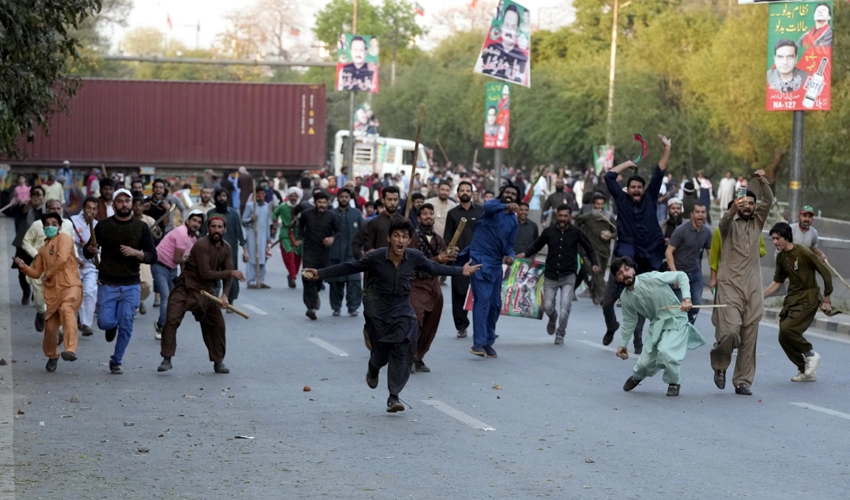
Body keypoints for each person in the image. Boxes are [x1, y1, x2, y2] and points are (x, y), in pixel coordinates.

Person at [304, 219, 481, 412]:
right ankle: (373, 367)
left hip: (401, 308)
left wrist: (460, 270)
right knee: (380, 352)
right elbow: (350, 267)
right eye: (396, 236)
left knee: (402, 345)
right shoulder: (376, 257)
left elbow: (433, 267)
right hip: (377, 309)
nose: (400, 240)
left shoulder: (414, 257)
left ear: (408, 240)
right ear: (389, 238)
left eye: (405, 237)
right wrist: (319, 274)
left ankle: (394, 396)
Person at [601, 135, 672, 352]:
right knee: (607, 303)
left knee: (639, 302)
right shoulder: (621, 200)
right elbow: (609, 177)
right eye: (632, 187)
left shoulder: (650, 197)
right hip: (625, 255)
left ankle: (639, 339)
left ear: (644, 189)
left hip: (648, 256)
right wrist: (628, 164)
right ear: (628, 189)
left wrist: (667, 148)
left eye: (639, 187)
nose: (636, 190)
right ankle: (612, 325)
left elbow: (659, 171)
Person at [157, 215, 247, 374]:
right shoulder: (201, 245)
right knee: (171, 318)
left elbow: (227, 276)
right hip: (186, 287)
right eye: (213, 227)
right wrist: (231, 272)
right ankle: (167, 358)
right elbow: (205, 273)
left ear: (224, 229)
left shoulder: (226, 248)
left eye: (220, 227)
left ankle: (218, 361)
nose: (217, 230)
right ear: (208, 228)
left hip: (207, 292)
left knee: (217, 325)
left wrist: (225, 295)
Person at [711, 170, 773, 396]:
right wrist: (732, 210)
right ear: (737, 205)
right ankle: (720, 366)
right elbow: (723, 222)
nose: (747, 206)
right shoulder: (728, 224)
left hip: (753, 289)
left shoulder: (757, 222)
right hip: (730, 289)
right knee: (729, 332)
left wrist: (761, 181)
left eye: (750, 203)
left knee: (749, 337)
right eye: (743, 203)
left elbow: (769, 200)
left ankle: (743, 381)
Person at [83, 189, 157, 375]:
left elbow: (151, 256)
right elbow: (87, 250)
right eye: (120, 201)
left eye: (127, 201)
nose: (124, 204)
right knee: (104, 323)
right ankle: (112, 326)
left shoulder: (141, 227)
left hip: (132, 284)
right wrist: (90, 250)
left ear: (132, 203)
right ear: (114, 204)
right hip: (108, 283)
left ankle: (116, 360)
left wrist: (136, 253)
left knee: (127, 323)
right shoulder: (103, 226)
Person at [612, 257, 705, 397]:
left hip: (676, 321)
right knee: (643, 363)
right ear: (617, 278)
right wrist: (623, 344)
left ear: (633, 269)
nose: (625, 274)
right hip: (657, 325)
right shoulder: (625, 298)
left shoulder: (652, 278)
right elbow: (630, 321)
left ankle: (674, 382)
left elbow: (681, 276)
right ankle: (637, 376)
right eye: (620, 273)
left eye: (627, 269)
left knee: (666, 352)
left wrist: (686, 298)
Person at [518, 204, 598, 345]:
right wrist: (525, 254)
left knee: (565, 306)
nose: (562, 218)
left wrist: (595, 263)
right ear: (557, 216)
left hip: (568, 275)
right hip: (551, 274)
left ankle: (560, 333)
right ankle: (553, 318)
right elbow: (537, 245)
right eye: (560, 216)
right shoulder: (549, 232)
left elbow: (589, 248)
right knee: (548, 306)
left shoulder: (576, 232)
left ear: (569, 217)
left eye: (565, 216)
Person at [14, 213, 83, 372]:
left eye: (53, 223)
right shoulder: (43, 250)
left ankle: (70, 349)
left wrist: (48, 274)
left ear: (59, 226)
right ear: (43, 228)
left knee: (67, 308)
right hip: (53, 293)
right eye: (46, 224)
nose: (50, 226)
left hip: (71, 285)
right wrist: (23, 266)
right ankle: (52, 355)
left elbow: (61, 259)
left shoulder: (65, 239)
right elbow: (36, 273)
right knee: (51, 329)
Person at [763, 222, 831, 383]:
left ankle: (810, 354)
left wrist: (827, 299)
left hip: (809, 297)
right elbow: (778, 281)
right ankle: (805, 371)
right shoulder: (781, 257)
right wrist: (761, 296)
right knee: (783, 336)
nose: (775, 242)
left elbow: (826, 273)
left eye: (777, 238)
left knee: (788, 328)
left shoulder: (804, 252)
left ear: (787, 237)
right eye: (773, 239)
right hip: (793, 298)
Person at [458, 184, 519, 358]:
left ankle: (488, 342)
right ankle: (478, 343)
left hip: (495, 265)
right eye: (507, 192)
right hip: (478, 260)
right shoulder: (493, 208)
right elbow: (488, 205)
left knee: (495, 305)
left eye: (513, 194)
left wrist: (510, 255)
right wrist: (505, 206)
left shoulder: (513, 220)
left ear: (517, 198)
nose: (509, 195)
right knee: (482, 299)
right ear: (502, 194)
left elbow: (509, 245)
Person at [409, 204, 457, 373]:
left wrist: (451, 255)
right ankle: (408, 356)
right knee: (416, 321)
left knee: (431, 322)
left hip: (433, 285)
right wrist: (438, 258)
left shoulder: (438, 238)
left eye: (431, 213)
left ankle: (419, 356)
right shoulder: (412, 238)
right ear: (418, 218)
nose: (428, 216)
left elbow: (446, 260)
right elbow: (415, 262)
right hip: (416, 284)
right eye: (424, 214)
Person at [22, 199, 75, 333]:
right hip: (40, 269)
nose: (56, 211)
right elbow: (26, 242)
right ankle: (41, 314)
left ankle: (59, 330)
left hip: (60, 269)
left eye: (58, 209)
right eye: (52, 209)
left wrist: (77, 260)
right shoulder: (37, 225)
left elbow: (72, 244)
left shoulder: (67, 225)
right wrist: (36, 255)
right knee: (40, 303)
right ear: (46, 210)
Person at [152, 210, 203, 340]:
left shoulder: (193, 238)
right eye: (194, 220)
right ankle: (162, 327)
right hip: (159, 265)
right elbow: (178, 258)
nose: (196, 224)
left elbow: (182, 262)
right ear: (187, 220)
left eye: (199, 222)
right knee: (166, 296)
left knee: (172, 300)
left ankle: (160, 324)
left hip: (172, 269)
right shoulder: (182, 233)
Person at [443, 181, 484, 338]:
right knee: (459, 292)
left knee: (481, 292)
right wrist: (450, 252)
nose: (465, 192)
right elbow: (448, 237)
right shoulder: (453, 214)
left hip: (480, 257)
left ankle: (483, 325)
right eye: (462, 190)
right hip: (460, 260)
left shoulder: (481, 211)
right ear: (458, 193)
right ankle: (461, 326)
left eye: (468, 190)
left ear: (472, 193)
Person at [665, 203, 712, 324]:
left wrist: (713, 279)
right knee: (681, 308)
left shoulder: (706, 232)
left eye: (703, 212)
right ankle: (675, 332)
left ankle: (687, 330)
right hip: (679, 273)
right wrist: (675, 275)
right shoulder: (681, 230)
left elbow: (711, 256)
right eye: (697, 212)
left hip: (695, 273)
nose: (700, 215)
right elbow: (668, 253)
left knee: (695, 305)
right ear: (692, 214)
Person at [297, 191, 340, 320]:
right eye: (319, 202)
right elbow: (300, 227)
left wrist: (332, 238)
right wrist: (300, 238)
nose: (322, 205)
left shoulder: (331, 216)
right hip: (309, 250)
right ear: (315, 203)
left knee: (318, 278)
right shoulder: (306, 214)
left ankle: (315, 297)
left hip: (324, 252)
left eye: (324, 202)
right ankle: (311, 307)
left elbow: (338, 231)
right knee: (307, 276)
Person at [575, 193, 616, 305]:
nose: (599, 207)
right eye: (597, 204)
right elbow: (576, 222)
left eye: (602, 204)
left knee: (599, 274)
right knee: (598, 271)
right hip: (591, 251)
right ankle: (604, 296)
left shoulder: (609, 217)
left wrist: (610, 235)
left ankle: (594, 292)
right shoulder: (587, 217)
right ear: (593, 205)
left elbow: (617, 232)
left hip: (605, 251)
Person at [209, 188, 248, 306]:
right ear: (215, 198)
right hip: (213, 250)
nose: (222, 198)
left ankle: (230, 301)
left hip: (231, 251)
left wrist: (245, 251)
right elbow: (204, 233)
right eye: (219, 196)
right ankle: (214, 301)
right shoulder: (210, 214)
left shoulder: (233, 214)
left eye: (224, 196)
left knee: (231, 275)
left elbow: (239, 233)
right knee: (214, 276)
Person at [327, 189, 362, 317]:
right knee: (335, 282)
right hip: (335, 253)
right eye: (341, 196)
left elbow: (363, 232)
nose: (344, 199)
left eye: (346, 196)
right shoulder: (331, 214)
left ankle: (353, 307)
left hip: (352, 254)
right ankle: (336, 307)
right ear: (337, 198)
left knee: (354, 281)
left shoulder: (356, 213)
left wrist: (362, 248)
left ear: (350, 198)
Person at [475, 4, 528, 83]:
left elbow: (523, 78)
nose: (509, 30)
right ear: (502, 26)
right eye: (507, 25)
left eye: (513, 27)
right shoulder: (489, 50)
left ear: (517, 31)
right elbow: (480, 66)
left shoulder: (522, 59)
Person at [70, 197, 100, 336]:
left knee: (89, 291)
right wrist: (79, 245)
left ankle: (86, 324)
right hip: (74, 264)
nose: (91, 211)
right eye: (89, 208)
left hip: (90, 266)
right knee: (76, 294)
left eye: (94, 209)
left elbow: (101, 249)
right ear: (83, 208)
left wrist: (92, 250)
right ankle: (76, 320)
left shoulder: (98, 226)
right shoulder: (72, 222)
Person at [12, 185, 44, 305]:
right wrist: (30, 204)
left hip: (40, 246)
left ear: (43, 197)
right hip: (24, 245)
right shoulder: (24, 207)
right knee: (22, 272)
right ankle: (26, 292)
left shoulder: (46, 210)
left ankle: (36, 295)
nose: (37, 197)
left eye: (39, 195)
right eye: (34, 195)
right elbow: (23, 212)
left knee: (39, 271)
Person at [272, 187, 303, 288]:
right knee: (289, 255)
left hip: (299, 234)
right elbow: (274, 215)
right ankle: (293, 276)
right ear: (288, 196)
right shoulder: (283, 206)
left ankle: (291, 275)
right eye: (292, 195)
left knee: (298, 257)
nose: (293, 197)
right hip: (286, 233)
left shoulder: (302, 207)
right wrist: (275, 224)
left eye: (295, 195)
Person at [242, 186, 271, 288]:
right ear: (255, 195)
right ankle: (251, 281)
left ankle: (261, 280)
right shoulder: (250, 206)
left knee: (263, 258)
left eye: (263, 193)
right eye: (259, 194)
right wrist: (251, 219)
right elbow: (243, 220)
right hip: (252, 236)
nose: (261, 196)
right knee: (252, 258)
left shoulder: (266, 206)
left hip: (263, 236)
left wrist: (269, 239)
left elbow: (268, 223)